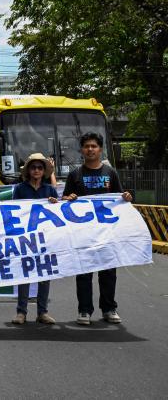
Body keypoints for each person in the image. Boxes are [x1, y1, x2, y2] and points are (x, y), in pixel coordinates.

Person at [62, 132, 132, 325]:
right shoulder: (75, 175)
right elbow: (65, 201)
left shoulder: (110, 173)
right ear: (82, 150)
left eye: (94, 146)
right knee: (84, 272)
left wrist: (126, 197)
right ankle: (84, 310)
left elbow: (119, 198)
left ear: (100, 149)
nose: (90, 149)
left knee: (108, 272)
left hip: (107, 232)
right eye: (86, 146)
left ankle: (109, 309)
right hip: (83, 233)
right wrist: (68, 199)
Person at [10, 153, 58, 325]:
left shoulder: (50, 190)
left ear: (44, 171)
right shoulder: (20, 189)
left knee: (45, 275)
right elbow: (14, 211)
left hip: (45, 237)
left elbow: (57, 213)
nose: (36, 170)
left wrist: (54, 204)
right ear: (28, 170)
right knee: (25, 275)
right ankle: (21, 312)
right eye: (33, 167)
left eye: (40, 167)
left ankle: (42, 312)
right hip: (26, 238)